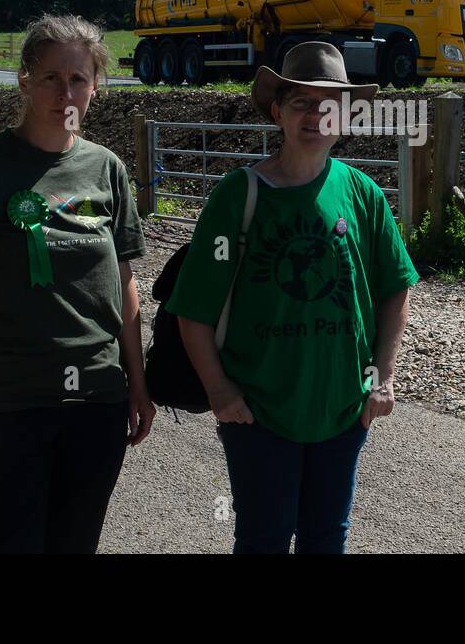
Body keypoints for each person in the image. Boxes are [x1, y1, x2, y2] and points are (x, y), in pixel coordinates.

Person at [167, 41, 418, 554]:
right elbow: (192, 310)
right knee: (263, 538)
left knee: (327, 540)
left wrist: (382, 378)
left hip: (343, 410)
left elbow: (395, 289)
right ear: (277, 111)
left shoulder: (363, 193)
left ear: (347, 116)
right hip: (258, 413)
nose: (315, 115)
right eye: (301, 102)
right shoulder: (237, 197)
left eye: (329, 104)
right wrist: (219, 391)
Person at [0, 13, 154, 553]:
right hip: (4, 402)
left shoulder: (107, 168)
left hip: (96, 402)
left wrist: (138, 384)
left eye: (78, 78)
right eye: (50, 76)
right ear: (24, 79)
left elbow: (124, 285)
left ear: (96, 86)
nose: (65, 92)